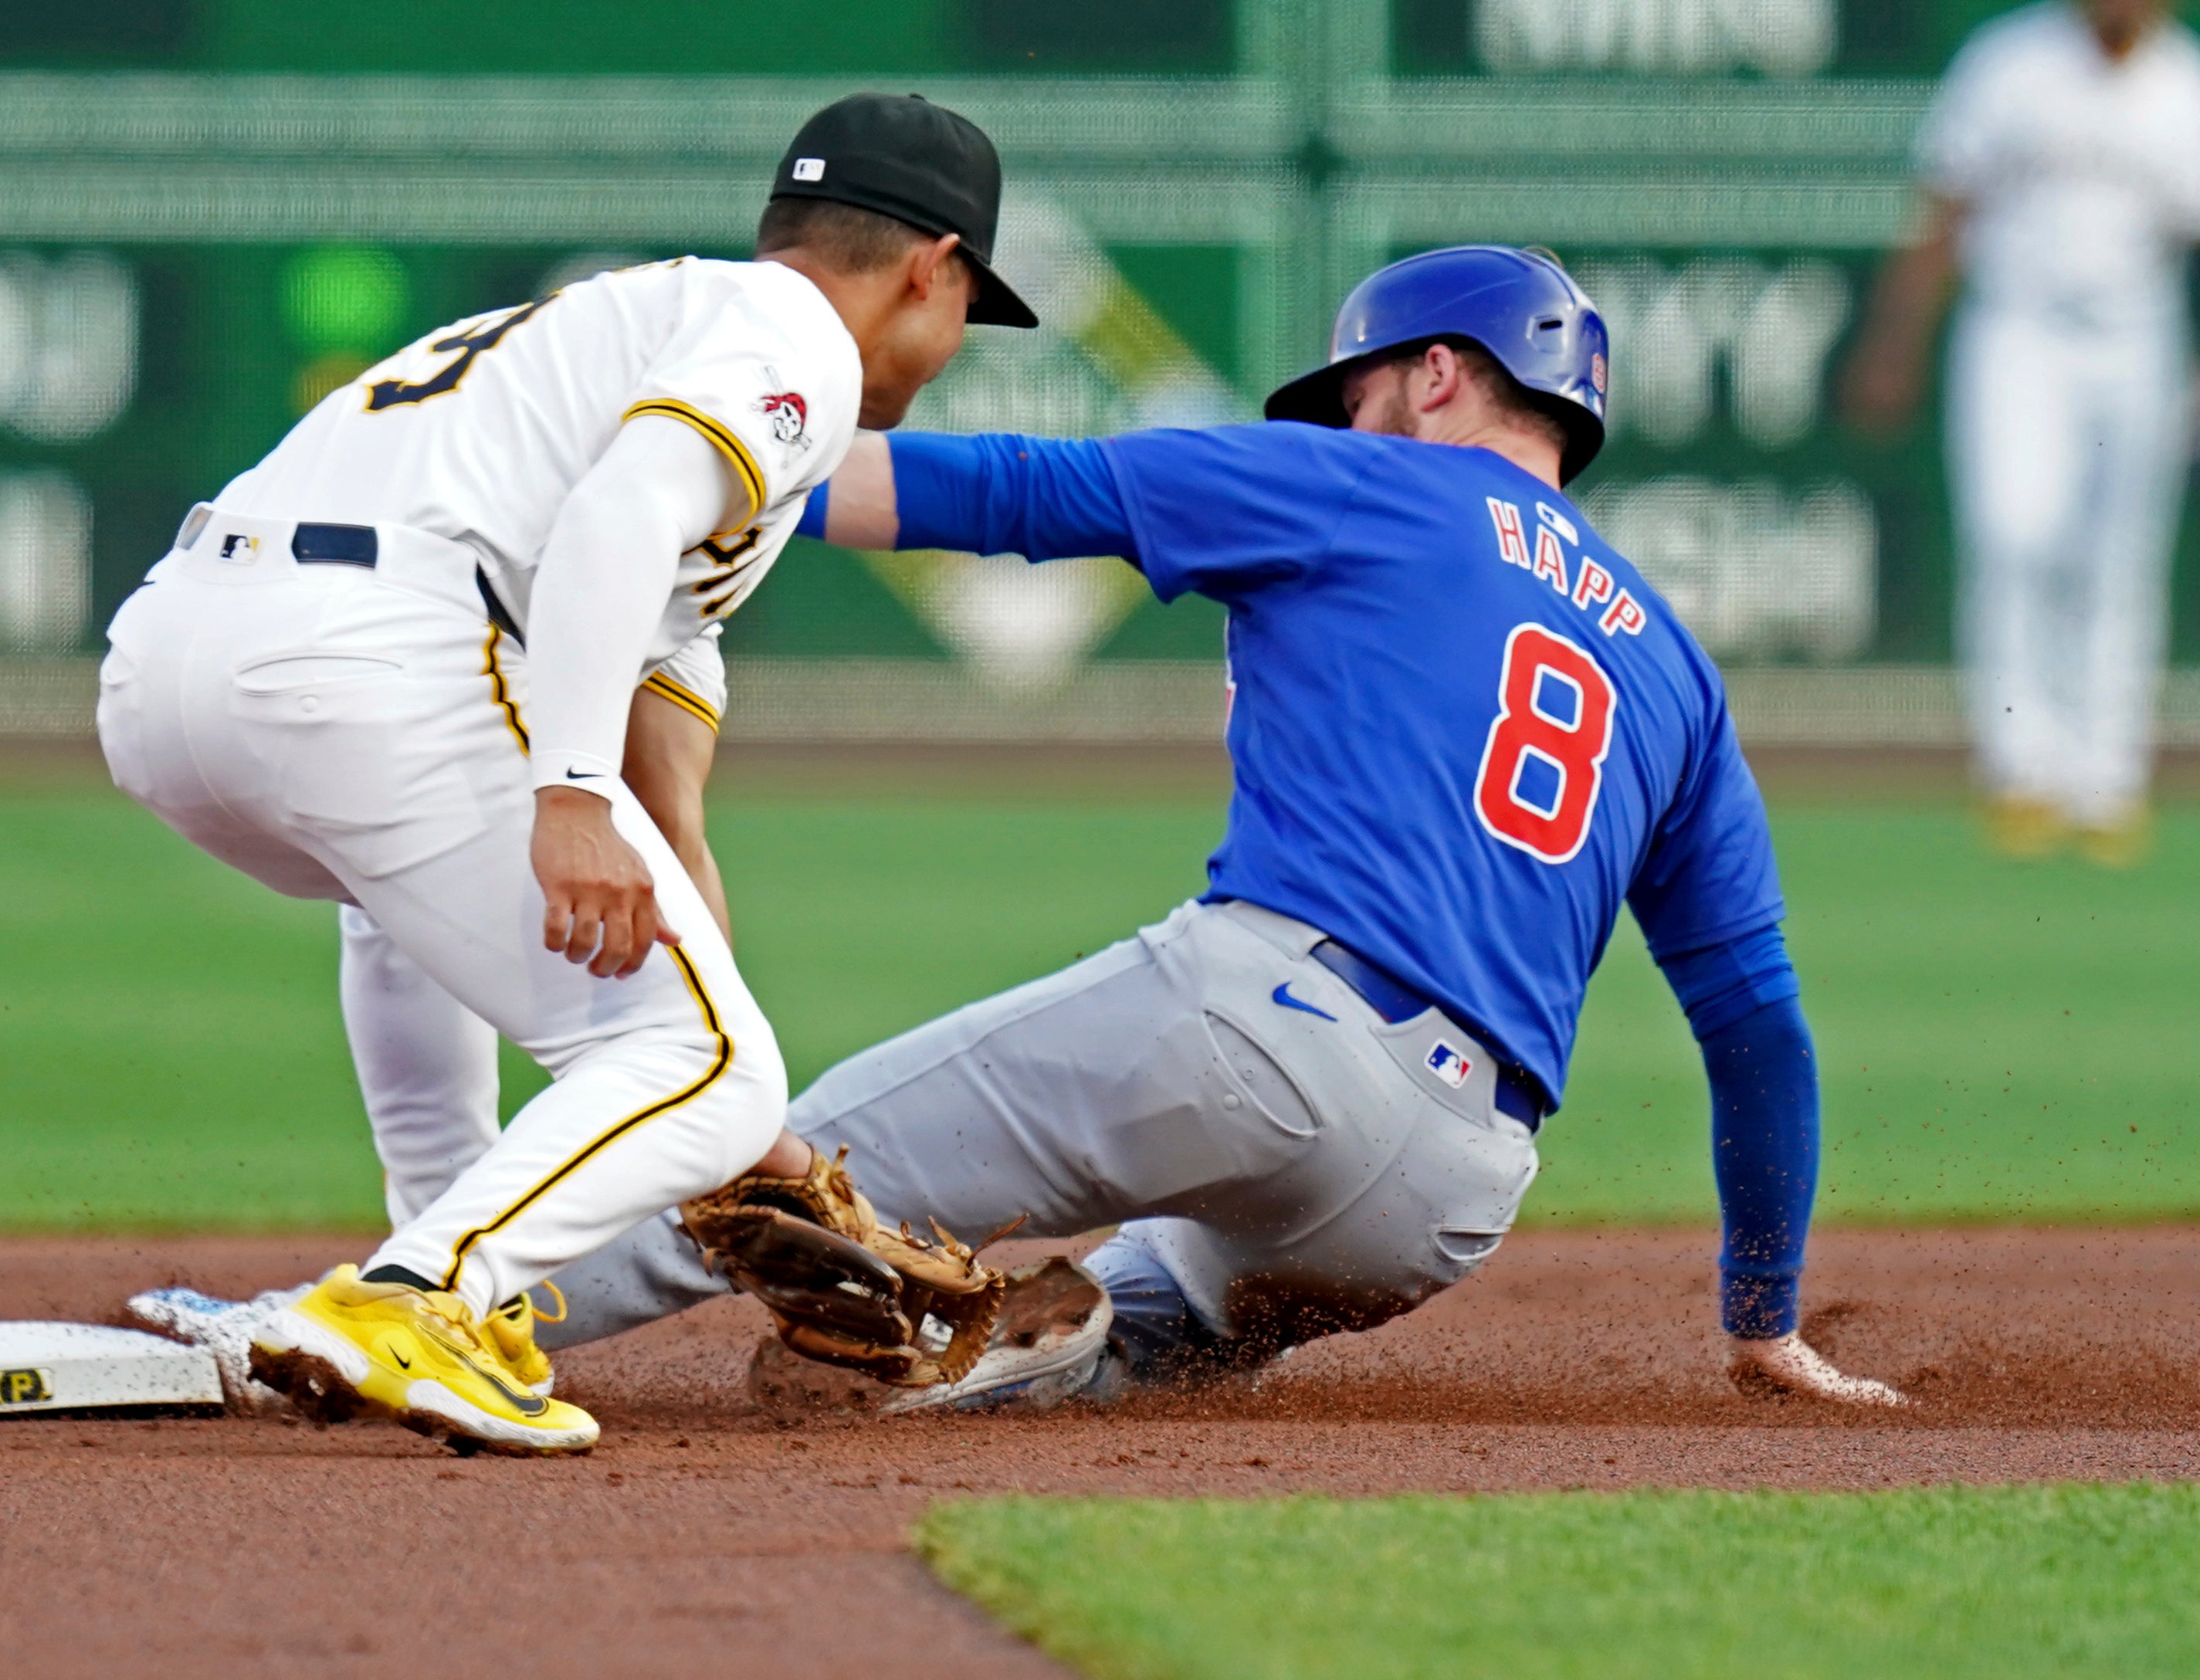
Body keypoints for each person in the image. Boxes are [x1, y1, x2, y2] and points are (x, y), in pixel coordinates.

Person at [520, 246, 1904, 1411]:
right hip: (1442, 1198)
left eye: (1357, 389)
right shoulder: (1671, 664)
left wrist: (679, 472)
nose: (1339, 418)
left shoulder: (1362, 481)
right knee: (1142, 1311)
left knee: (752, 1149)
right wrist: (1758, 1319)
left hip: (1265, 1033)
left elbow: (1007, 492)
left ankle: (429, 1312)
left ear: (1433, 376)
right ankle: (1049, 1345)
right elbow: (1753, 1021)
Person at [97, 91, 1036, 1455]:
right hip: (371, 648)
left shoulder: (617, 334)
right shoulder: (791, 338)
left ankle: (438, 1277)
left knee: (471, 944)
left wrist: (732, 1132)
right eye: (964, 308)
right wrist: (571, 796)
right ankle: (422, 1296)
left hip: (173, 661)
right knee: (702, 1064)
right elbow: (621, 515)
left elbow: (672, 824)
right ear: (929, 266)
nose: (948, 344)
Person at [1844, 0, 2200, 866]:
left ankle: (2106, 778)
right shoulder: (2011, 62)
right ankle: (2021, 766)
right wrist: (1896, 341)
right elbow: (1945, 210)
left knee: (2120, 554)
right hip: (2019, 328)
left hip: (2136, 332)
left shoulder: (2182, 84)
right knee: (2012, 532)